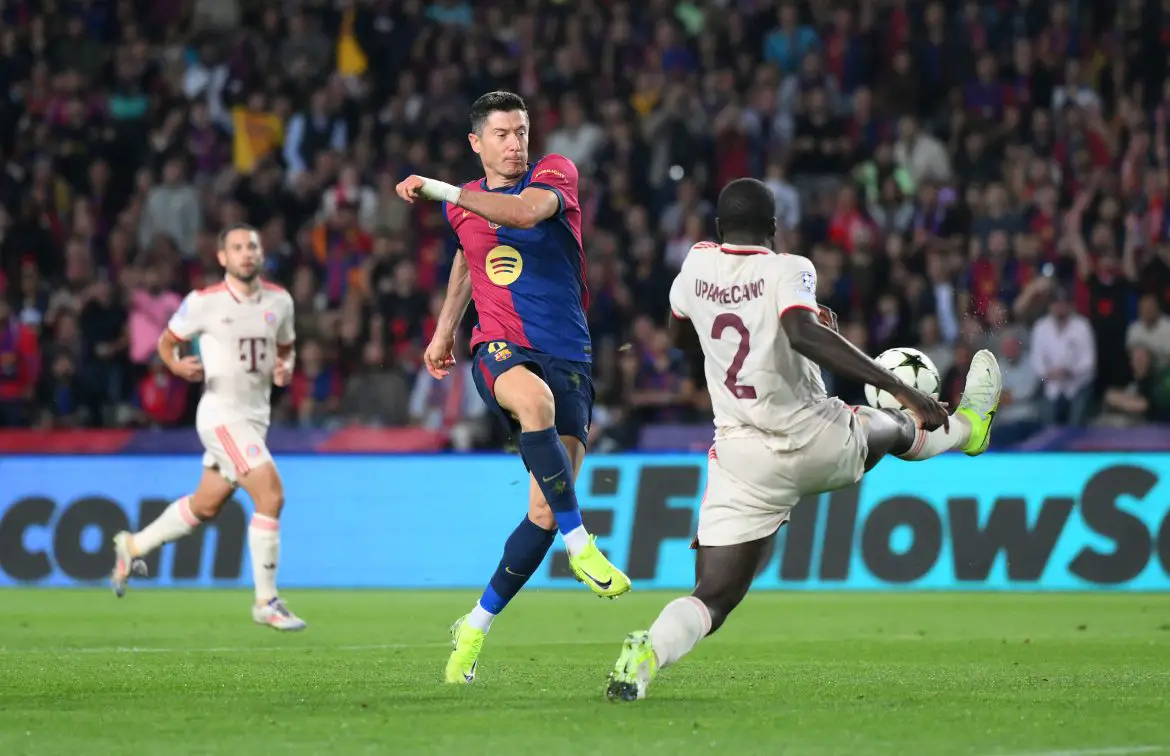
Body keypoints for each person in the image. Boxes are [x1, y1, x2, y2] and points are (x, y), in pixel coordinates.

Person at [604, 178, 1002, 701]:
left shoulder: (696, 263)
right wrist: (902, 389)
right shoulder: (790, 268)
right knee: (893, 425)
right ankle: (969, 427)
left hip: (742, 459)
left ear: (719, 227)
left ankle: (647, 654)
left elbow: (682, 335)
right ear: (775, 227)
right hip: (812, 439)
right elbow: (801, 333)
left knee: (712, 597)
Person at [395, 91, 630, 684]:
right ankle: (582, 543)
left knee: (542, 512)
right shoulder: (465, 204)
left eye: (521, 131)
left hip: (569, 353)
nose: (515, 143)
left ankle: (474, 625)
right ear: (476, 143)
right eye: (501, 134)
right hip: (500, 345)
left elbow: (523, 215)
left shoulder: (554, 173)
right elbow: (467, 261)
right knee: (534, 402)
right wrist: (444, 332)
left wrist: (441, 190)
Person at [108, 224, 305, 632]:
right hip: (221, 415)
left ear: (261, 253)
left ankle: (133, 545)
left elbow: (286, 347)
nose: (246, 253)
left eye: (252, 246)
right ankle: (266, 601)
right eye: (237, 247)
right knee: (271, 494)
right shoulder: (203, 302)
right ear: (222, 258)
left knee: (206, 505)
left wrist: (285, 366)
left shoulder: (280, 300)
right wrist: (176, 365)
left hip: (255, 418)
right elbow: (167, 341)